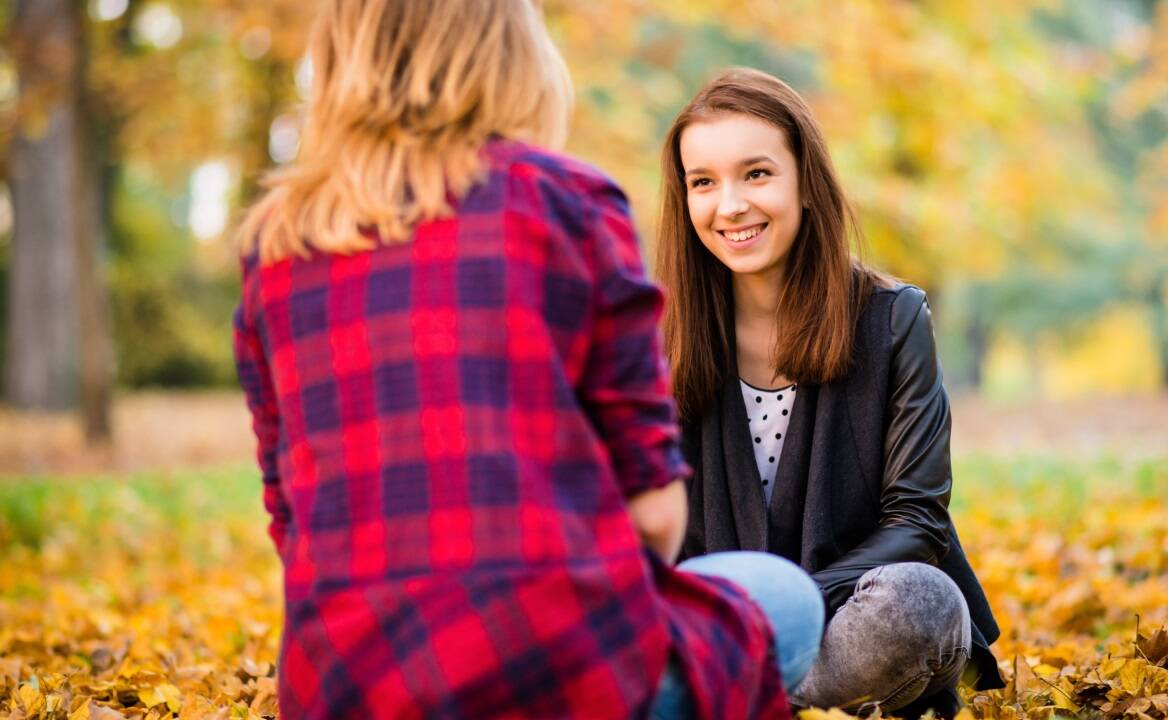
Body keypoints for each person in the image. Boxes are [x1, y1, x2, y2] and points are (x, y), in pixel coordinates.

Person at [232, 3, 822, 718]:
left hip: (345, 687)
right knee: (783, 596)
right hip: (546, 670)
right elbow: (658, 517)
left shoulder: (274, 250)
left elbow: (291, 523)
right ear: (511, 50)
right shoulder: (565, 201)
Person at [654, 67, 1006, 717]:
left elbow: (917, 521)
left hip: (843, 624)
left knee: (920, 605)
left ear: (806, 184)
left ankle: (750, 700)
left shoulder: (893, 319)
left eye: (756, 174)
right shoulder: (656, 336)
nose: (729, 204)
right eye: (703, 182)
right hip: (710, 628)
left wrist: (788, 605)